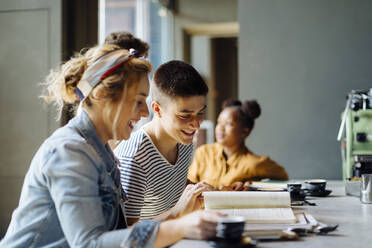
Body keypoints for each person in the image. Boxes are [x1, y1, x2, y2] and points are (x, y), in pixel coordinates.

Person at [0, 45, 223, 248]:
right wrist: (179, 226)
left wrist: (179, 216)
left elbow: (121, 235)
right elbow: (89, 244)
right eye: (138, 101)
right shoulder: (69, 153)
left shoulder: (101, 152)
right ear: (101, 95)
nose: (145, 113)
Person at [114, 60, 212, 226]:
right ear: (157, 109)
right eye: (184, 115)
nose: (196, 124)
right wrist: (177, 212)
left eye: (200, 113)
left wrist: (214, 192)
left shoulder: (184, 140)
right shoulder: (135, 158)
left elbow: (171, 182)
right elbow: (127, 232)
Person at [188, 99, 289, 190]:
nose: (220, 128)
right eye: (219, 122)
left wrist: (252, 184)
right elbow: (189, 185)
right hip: (201, 210)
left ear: (244, 131)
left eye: (228, 124)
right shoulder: (203, 153)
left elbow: (284, 176)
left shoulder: (254, 163)